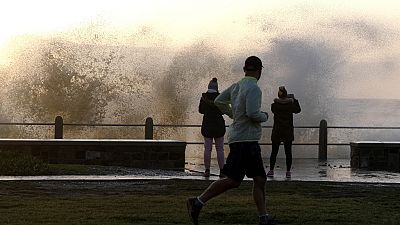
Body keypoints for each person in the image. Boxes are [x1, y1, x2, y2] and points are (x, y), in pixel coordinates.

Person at [187, 56, 273, 225]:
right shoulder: (254, 88)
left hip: (238, 138)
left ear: (244, 69)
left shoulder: (236, 86)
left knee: (258, 179)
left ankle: (264, 218)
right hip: (247, 140)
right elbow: (253, 114)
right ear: (259, 70)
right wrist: (265, 116)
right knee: (236, 180)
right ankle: (197, 202)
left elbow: (219, 101)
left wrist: (233, 114)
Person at [267, 86, 301, 179]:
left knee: (274, 152)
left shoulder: (274, 105)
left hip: (277, 131)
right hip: (288, 131)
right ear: (286, 95)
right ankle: (288, 172)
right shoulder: (290, 105)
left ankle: (271, 170)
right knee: (288, 152)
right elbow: (298, 110)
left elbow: (273, 109)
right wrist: (294, 100)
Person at [199, 77, 226, 177]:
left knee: (207, 148)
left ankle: (207, 170)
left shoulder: (204, 98)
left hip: (207, 125)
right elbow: (223, 110)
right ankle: (222, 171)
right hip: (219, 125)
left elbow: (201, 110)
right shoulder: (220, 97)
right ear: (217, 88)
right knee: (220, 149)